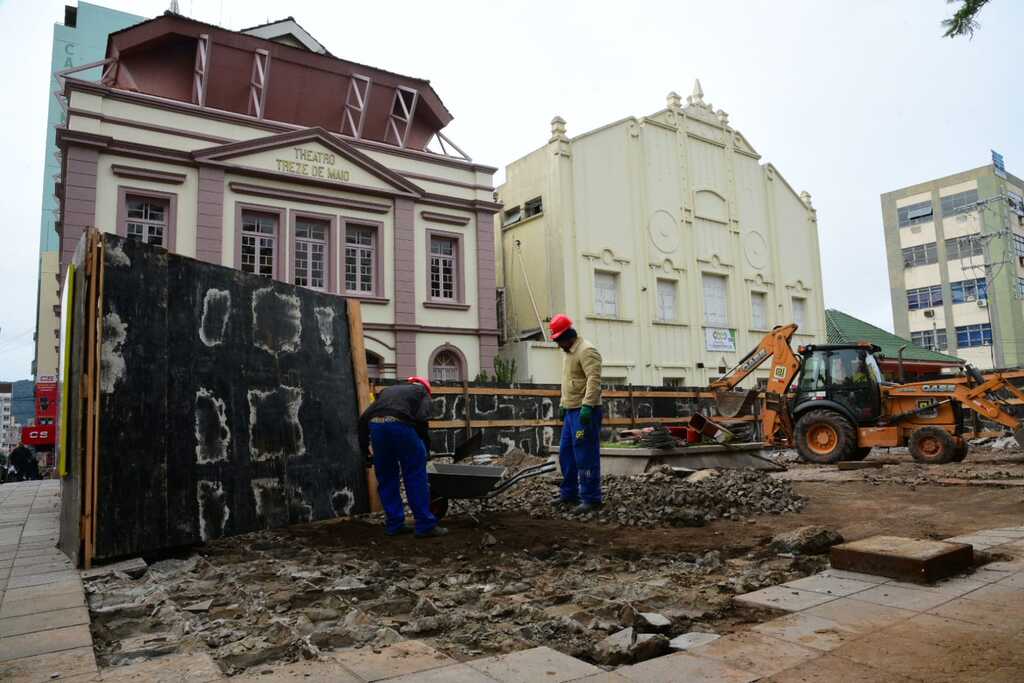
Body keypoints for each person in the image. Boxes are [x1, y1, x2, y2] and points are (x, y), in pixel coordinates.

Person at [357, 376, 447, 538]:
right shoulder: (421, 392)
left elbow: (363, 420)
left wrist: (365, 452)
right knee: (414, 475)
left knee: (386, 477)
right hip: (400, 425)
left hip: (376, 426)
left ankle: (394, 524)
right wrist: (424, 450)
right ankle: (425, 525)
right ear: (426, 387)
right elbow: (422, 420)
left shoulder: (387, 391)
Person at [549, 314, 604, 512]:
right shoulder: (568, 351)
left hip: (584, 416)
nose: (558, 344)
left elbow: (594, 380)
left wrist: (588, 405)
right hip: (571, 415)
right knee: (567, 453)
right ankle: (569, 494)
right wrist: (563, 404)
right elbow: (569, 380)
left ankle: (591, 498)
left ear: (568, 335)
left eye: (559, 339)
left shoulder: (587, 350)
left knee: (584, 453)